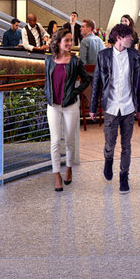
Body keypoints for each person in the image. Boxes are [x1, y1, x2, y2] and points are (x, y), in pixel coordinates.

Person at [93, 23, 140, 193]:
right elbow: (96, 83)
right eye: (129, 36)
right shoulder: (103, 56)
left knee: (126, 145)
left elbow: (139, 84)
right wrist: (93, 107)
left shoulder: (135, 56)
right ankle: (108, 160)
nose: (132, 39)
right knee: (110, 143)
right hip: (111, 107)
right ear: (120, 38)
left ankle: (124, 176)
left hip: (128, 107)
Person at [44, 28, 88, 193]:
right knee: (55, 141)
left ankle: (68, 168)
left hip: (70, 105)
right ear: (58, 42)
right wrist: (47, 94)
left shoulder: (75, 61)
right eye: (67, 41)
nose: (70, 43)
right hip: (53, 106)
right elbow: (47, 81)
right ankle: (56, 174)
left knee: (69, 140)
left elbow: (86, 79)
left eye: (71, 40)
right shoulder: (49, 60)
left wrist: (75, 92)